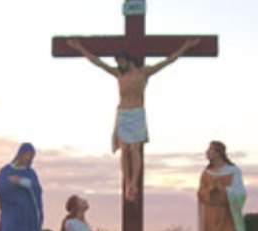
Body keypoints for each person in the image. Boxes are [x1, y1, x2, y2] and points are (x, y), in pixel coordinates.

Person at [66, 37, 201, 201]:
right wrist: (79, 47)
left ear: (128, 60)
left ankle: (134, 183)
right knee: (125, 151)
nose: (119, 65)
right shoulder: (118, 74)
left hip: (137, 114)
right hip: (123, 113)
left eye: (121, 61)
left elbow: (168, 61)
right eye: (118, 62)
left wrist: (185, 46)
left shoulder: (143, 72)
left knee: (134, 150)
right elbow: (97, 62)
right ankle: (127, 181)